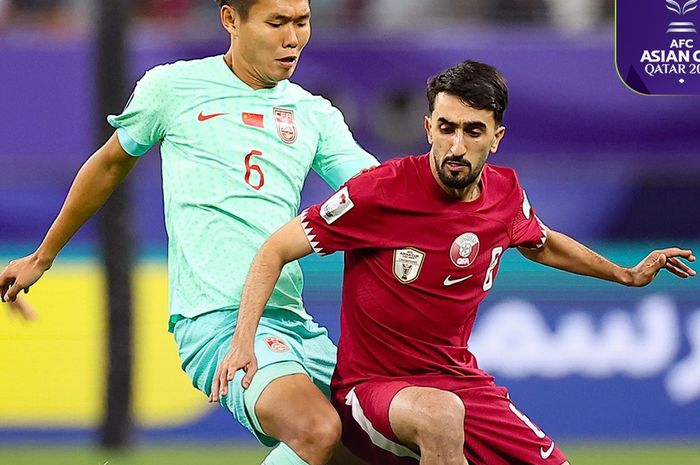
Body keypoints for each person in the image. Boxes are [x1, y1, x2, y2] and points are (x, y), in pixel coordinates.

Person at [211, 60, 696, 465]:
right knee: (440, 416)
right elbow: (275, 248)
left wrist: (625, 274)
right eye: (446, 128)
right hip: (373, 388)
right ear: (428, 128)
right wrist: (243, 342)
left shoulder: (506, 194)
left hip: (460, 381)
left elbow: (542, 242)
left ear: (496, 137)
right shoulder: (380, 192)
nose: (457, 146)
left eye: (472, 131)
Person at [0, 1, 378, 464]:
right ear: (230, 20)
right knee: (316, 429)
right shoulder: (173, 87)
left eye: (302, 22)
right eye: (276, 23)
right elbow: (110, 164)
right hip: (216, 321)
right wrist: (42, 257)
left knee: (380, 449)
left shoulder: (313, 113)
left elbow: (376, 191)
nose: (292, 38)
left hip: (293, 322)